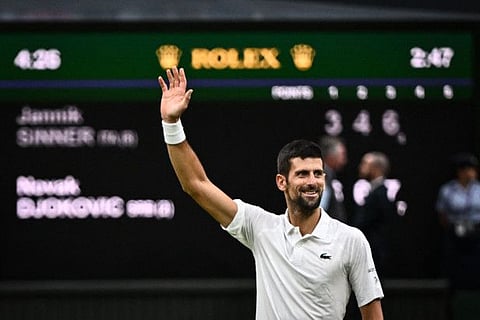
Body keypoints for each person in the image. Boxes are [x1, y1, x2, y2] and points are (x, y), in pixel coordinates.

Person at [158, 66, 384, 320]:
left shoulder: (351, 240)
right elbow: (196, 185)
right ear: (281, 182)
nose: (313, 181)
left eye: (318, 173)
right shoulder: (262, 229)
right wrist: (172, 123)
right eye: (302, 174)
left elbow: (373, 316)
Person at [436, 152, 480, 289]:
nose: (470, 173)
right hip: (455, 234)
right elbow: (442, 214)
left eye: (472, 169)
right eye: (467, 169)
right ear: (460, 171)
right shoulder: (448, 190)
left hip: (476, 233)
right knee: (455, 267)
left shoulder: (478, 189)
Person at [351, 152, 397, 278]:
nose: (360, 167)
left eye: (365, 164)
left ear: (376, 168)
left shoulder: (380, 195)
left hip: (374, 252)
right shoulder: (375, 192)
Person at [319, 135, 348, 223]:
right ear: (331, 155)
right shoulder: (323, 174)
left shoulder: (329, 173)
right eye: (342, 155)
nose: (345, 160)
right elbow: (320, 207)